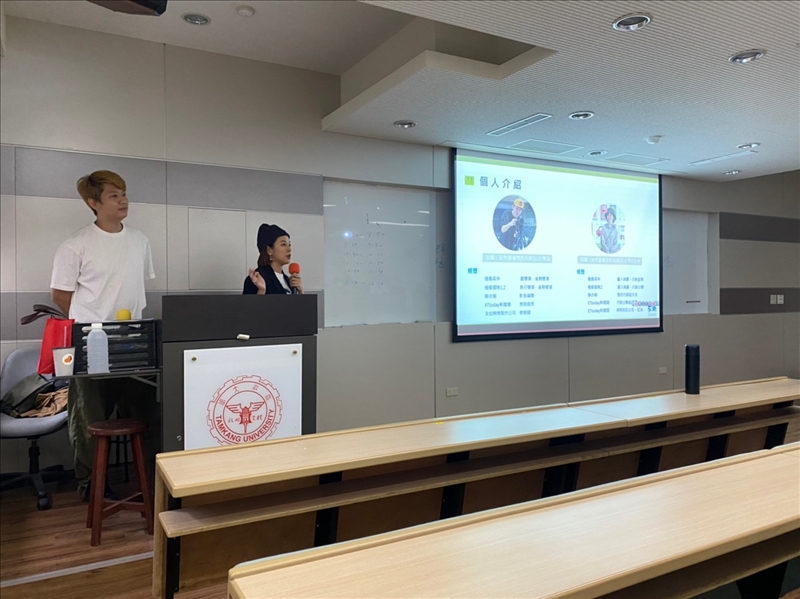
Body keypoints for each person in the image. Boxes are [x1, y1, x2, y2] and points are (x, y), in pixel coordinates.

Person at [50, 170, 157, 500]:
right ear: (93, 202)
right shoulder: (75, 245)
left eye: (123, 193)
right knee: (90, 420)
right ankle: (91, 486)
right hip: (91, 344)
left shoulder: (139, 240)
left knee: (144, 414)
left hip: (134, 341)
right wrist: (92, 322)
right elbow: (60, 296)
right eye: (114, 195)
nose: (123, 200)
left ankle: (151, 483)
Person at [243, 223, 304, 295]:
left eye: (289, 244)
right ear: (269, 250)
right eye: (283, 244)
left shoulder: (289, 281)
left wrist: (300, 292)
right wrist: (261, 291)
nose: (289, 249)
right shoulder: (256, 279)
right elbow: (248, 302)